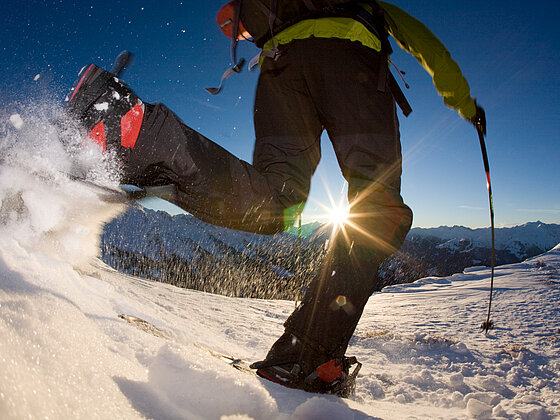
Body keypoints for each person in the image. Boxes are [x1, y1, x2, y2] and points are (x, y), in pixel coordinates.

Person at [67, 0, 485, 396]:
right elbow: (429, 46)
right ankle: (307, 359)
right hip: (353, 69)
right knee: (378, 213)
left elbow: (244, 25)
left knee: (277, 199)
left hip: (282, 68)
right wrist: (466, 105)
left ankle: (133, 132)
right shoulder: (368, 6)